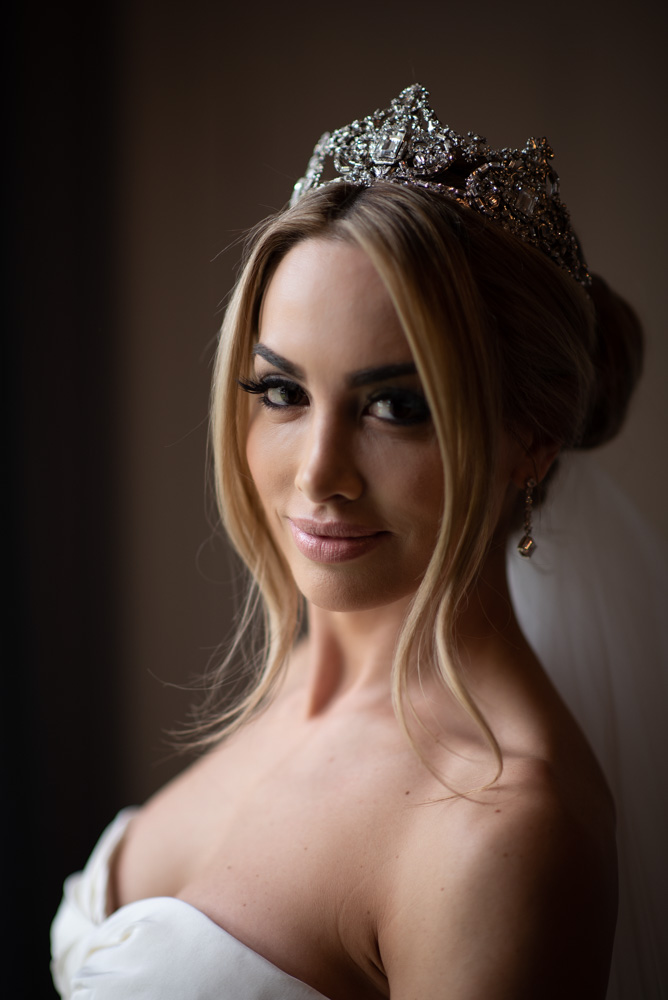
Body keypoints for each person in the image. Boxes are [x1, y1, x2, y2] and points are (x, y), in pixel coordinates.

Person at [51, 85, 664, 999]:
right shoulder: (301, 685)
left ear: (531, 438)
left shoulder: (498, 832)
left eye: (396, 407)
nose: (318, 474)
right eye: (283, 393)